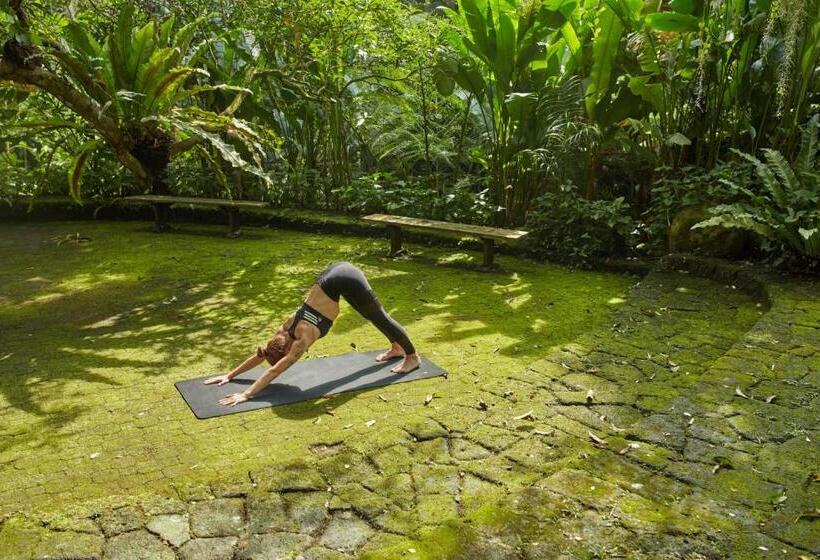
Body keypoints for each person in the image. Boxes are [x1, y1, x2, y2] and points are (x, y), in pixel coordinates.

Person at [205, 261, 420, 406]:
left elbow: (274, 372)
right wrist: (229, 375)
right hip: (334, 276)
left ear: (289, 348)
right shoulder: (284, 331)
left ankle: (412, 357)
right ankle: (396, 346)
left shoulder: (301, 339)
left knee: (380, 316)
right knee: (371, 316)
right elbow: (261, 354)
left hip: (345, 278)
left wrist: (246, 394)